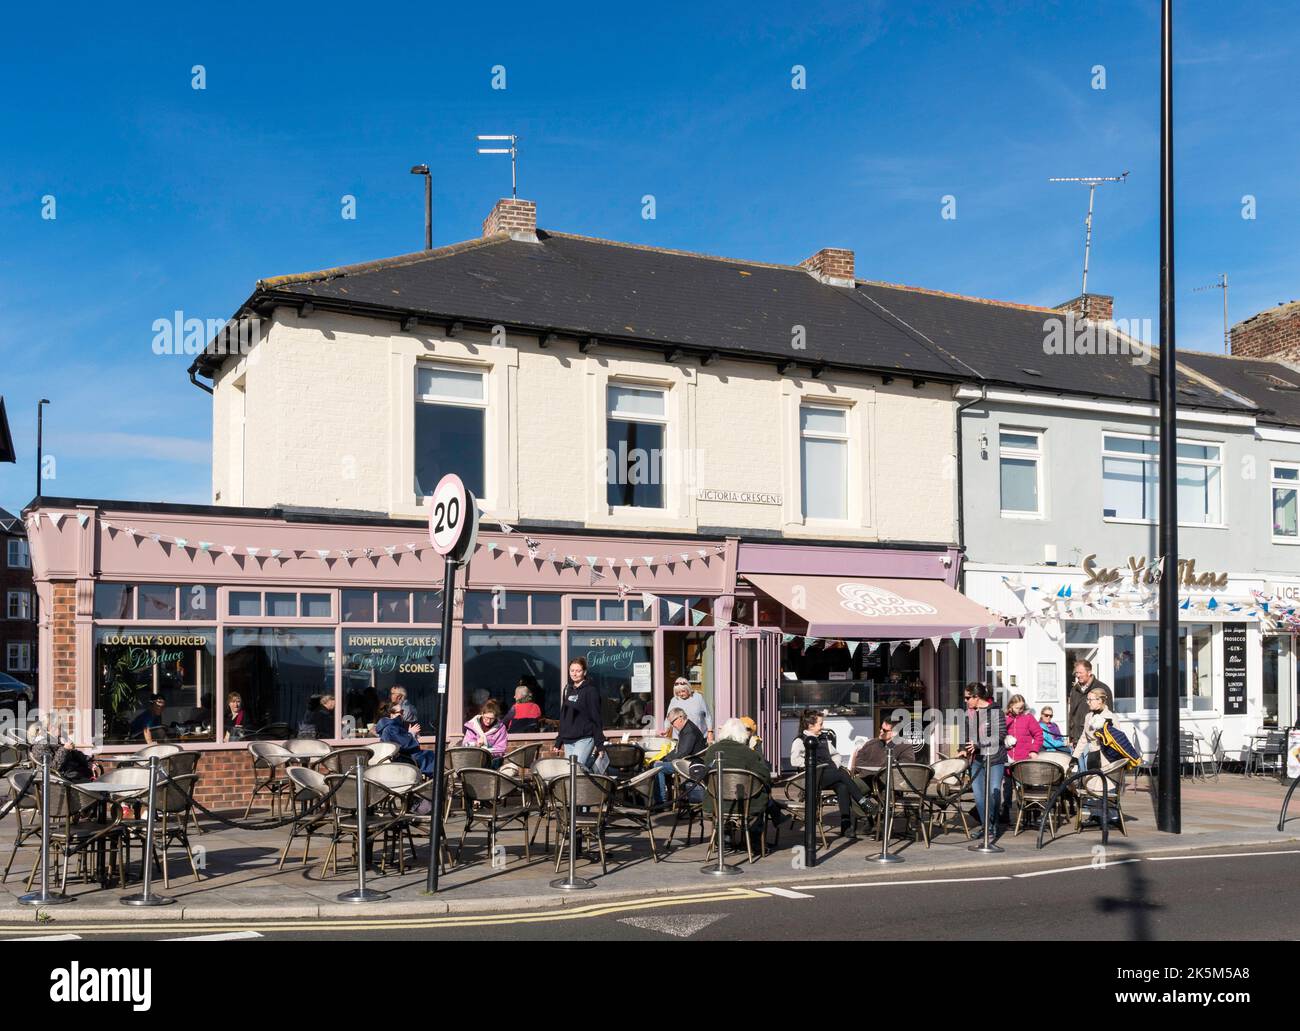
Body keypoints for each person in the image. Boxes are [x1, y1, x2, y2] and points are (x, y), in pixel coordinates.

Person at [694, 718, 784, 846]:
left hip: (716, 803)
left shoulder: (711, 751)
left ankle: (724, 839)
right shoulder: (748, 753)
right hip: (744, 803)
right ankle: (755, 842)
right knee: (760, 795)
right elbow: (765, 776)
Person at [789, 709, 876, 836]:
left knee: (843, 786)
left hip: (829, 775)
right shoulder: (800, 740)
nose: (822, 727)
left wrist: (834, 765)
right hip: (815, 777)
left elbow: (836, 755)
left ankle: (846, 826)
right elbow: (794, 760)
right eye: (820, 724)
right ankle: (863, 802)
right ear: (810, 725)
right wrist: (811, 764)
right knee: (842, 774)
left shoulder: (823, 739)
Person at [962, 682, 1006, 839]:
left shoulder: (995, 711)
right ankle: (985, 827)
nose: (966, 701)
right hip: (977, 760)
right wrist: (963, 748)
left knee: (994, 793)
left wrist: (978, 744)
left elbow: (1000, 735)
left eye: (968, 698)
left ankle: (994, 825)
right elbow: (967, 735)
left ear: (976, 697)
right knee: (980, 796)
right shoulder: (970, 713)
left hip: (994, 758)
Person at [554, 657, 604, 770]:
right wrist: (559, 741)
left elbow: (596, 718)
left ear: (584, 672)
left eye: (578, 671)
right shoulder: (568, 689)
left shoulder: (591, 691)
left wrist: (599, 744)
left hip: (584, 738)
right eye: (572, 670)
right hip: (568, 740)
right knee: (570, 773)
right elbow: (564, 717)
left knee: (575, 770)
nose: (574, 674)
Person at [650, 706, 708, 802]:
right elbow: (677, 751)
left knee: (657, 767)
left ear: (680, 718)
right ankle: (665, 799)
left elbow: (682, 753)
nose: (672, 725)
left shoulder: (689, 731)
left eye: (673, 722)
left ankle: (661, 801)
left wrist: (663, 761)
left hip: (690, 764)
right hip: (686, 761)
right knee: (658, 764)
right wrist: (664, 759)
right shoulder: (686, 729)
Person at [1002, 693, 1043, 821]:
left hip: (1023, 758)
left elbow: (1038, 734)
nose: (1019, 711)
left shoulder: (1028, 718)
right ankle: (1006, 811)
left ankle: (1029, 811)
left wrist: (1034, 750)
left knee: (1025, 786)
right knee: (1007, 788)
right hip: (1008, 758)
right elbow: (1000, 732)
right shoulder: (1005, 718)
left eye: (1021, 708)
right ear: (1010, 706)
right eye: (1016, 708)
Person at [376, 702, 437, 777]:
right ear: (391, 714)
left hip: (403, 756)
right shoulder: (391, 728)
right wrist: (411, 734)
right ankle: (436, 782)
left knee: (430, 754)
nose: (403, 714)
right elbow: (404, 744)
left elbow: (400, 740)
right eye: (401, 712)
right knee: (431, 756)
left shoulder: (391, 726)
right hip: (404, 758)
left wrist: (409, 734)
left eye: (403, 711)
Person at [1067, 661, 1110, 745]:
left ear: (1089, 672)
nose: (1078, 675)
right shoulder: (1074, 690)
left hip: (1094, 741)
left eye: (1080, 672)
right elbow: (1072, 714)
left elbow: (1108, 717)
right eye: (1076, 673)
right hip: (1077, 740)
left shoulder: (1102, 689)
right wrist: (1071, 737)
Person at [851, 718, 916, 771]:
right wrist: (878, 767)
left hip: (889, 781)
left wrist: (876, 768)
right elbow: (858, 761)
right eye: (880, 728)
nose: (881, 731)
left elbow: (906, 764)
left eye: (884, 730)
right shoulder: (871, 743)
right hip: (866, 778)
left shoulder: (905, 746)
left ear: (894, 733)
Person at [463, 699, 509, 764]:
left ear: (496, 717)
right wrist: (476, 744)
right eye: (486, 718)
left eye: (491, 719)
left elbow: (501, 749)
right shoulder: (472, 726)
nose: (488, 721)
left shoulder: (501, 728)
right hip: (473, 761)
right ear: (482, 714)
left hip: (492, 762)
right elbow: (465, 744)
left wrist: (486, 750)